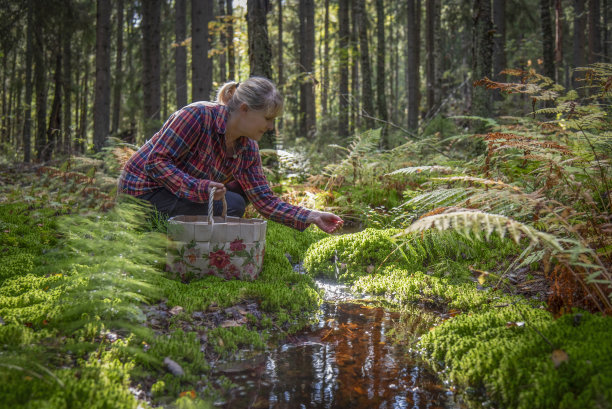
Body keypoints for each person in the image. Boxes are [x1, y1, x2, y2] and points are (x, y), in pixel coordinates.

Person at [118, 76, 343, 234]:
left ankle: (188, 237)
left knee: (238, 198)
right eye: (267, 118)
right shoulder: (197, 115)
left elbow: (264, 200)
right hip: (141, 194)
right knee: (233, 204)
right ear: (244, 109)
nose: (271, 127)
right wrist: (200, 189)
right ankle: (155, 232)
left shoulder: (247, 148)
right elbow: (156, 163)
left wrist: (311, 216)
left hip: (175, 196)